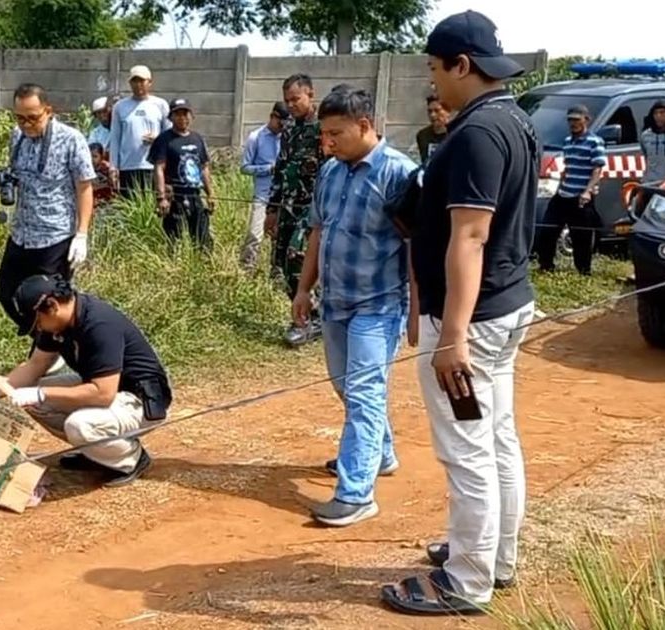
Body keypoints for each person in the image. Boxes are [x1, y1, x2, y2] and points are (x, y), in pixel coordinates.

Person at [380, 10, 540, 617]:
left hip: (471, 319)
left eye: (433, 67)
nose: (432, 79)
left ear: (461, 66)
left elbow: (469, 236)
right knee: (494, 437)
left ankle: (465, 579)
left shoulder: (474, 134)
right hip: (506, 304)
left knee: (467, 447)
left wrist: (451, 336)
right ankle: (495, 555)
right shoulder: (513, 121)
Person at [293, 86, 417, 527]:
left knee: (364, 392)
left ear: (364, 127)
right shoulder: (330, 172)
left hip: (379, 306)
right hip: (335, 302)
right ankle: (378, 453)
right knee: (346, 387)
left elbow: (414, 245)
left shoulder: (399, 173)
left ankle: (355, 493)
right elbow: (318, 232)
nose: (327, 143)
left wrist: (417, 311)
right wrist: (304, 289)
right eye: (324, 134)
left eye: (335, 134)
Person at [0, 274, 173, 487]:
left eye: (37, 321)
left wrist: (42, 394)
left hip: (140, 400)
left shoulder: (99, 325)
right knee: (32, 397)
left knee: (78, 425)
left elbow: (103, 394)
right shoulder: (57, 323)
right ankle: (96, 451)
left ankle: (130, 459)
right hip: (104, 388)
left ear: (53, 306)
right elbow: (35, 365)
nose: (38, 328)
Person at [0, 83, 97, 338]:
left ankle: (53, 352)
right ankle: (42, 340)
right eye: (20, 118)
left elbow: (85, 188)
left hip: (55, 234)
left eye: (33, 118)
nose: (27, 124)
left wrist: (81, 234)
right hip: (22, 232)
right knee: (7, 292)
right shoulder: (17, 136)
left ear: (48, 111)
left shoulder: (71, 139)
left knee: (50, 303)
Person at [267, 74, 327, 347]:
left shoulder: (324, 128)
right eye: (287, 100)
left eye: (296, 99)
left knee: (296, 259)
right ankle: (306, 313)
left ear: (310, 95)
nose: (291, 105)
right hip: (287, 206)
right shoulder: (290, 128)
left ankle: (308, 319)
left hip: (313, 207)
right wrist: (272, 210)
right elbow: (280, 170)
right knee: (281, 261)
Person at [535, 104, 606, 276]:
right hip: (564, 193)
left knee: (580, 237)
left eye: (576, 120)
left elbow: (597, 170)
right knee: (548, 230)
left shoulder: (595, 142)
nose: (573, 123)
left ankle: (583, 271)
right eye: (570, 120)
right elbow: (567, 168)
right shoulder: (567, 143)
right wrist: (559, 188)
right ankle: (546, 265)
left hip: (580, 195)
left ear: (586, 120)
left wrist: (587, 191)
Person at [147, 98, 215, 251]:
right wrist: (161, 197)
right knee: (174, 243)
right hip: (174, 197)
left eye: (185, 114)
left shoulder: (197, 139)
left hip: (195, 196)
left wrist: (210, 194)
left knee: (203, 241)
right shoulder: (164, 140)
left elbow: (204, 167)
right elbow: (159, 169)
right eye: (177, 114)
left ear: (191, 116)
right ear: (171, 117)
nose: (182, 118)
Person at [239, 102, 288, 271]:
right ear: (273, 117)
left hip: (283, 196)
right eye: (279, 123)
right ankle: (247, 270)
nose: (281, 128)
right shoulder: (256, 137)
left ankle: (276, 272)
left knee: (279, 237)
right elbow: (244, 167)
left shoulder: (288, 137)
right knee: (255, 234)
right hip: (263, 195)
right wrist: (267, 169)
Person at [109, 65, 171, 200]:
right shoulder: (120, 106)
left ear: (150, 82)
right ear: (130, 83)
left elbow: (169, 137)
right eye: (134, 81)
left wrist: (157, 140)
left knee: (154, 207)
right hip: (127, 167)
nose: (138, 85)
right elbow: (115, 138)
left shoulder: (160, 104)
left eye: (142, 81)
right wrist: (113, 167)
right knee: (130, 210)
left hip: (154, 167)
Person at [416, 94, 451, 163]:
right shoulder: (423, 136)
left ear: (448, 112)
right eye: (430, 111)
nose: (433, 115)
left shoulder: (456, 134)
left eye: (437, 110)